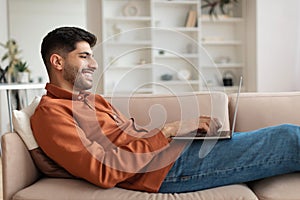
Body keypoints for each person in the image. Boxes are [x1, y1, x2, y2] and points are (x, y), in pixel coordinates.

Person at [31, 26, 300, 193]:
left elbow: (130, 140)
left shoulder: (91, 101)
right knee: (287, 137)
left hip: (169, 154)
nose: (94, 63)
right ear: (57, 61)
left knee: (280, 136)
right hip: (163, 170)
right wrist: (170, 129)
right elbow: (103, 169)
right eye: (84, 56)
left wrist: (175, 135)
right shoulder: (51, 114)